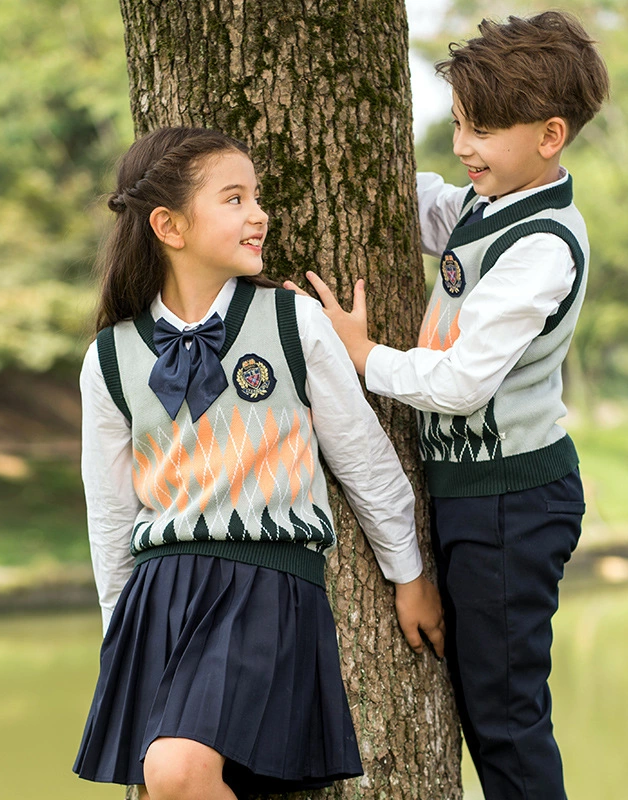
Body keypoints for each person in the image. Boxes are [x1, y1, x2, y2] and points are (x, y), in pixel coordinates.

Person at [284, 11, 609, 799]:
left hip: (514, 504)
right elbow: (433, 210)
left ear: (550, 135)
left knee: (505, 717)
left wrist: (361, 357)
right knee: (486, 700)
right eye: (459, 124)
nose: (464, 146)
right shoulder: (490, 204)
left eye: (484, 130)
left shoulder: (542, 247)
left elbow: (464, 383)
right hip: (477, 498)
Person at [72, 126, 445, 800]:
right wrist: (117, 633)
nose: (259, 214)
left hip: (263, 583)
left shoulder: (290, 323)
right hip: (157, 597)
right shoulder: (109, 359)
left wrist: (408, 572)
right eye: (235, 198)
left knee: (177, 774)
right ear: (169, 225)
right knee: (181, 782)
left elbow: (365, 457)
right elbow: (110, 514)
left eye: (258, 197)